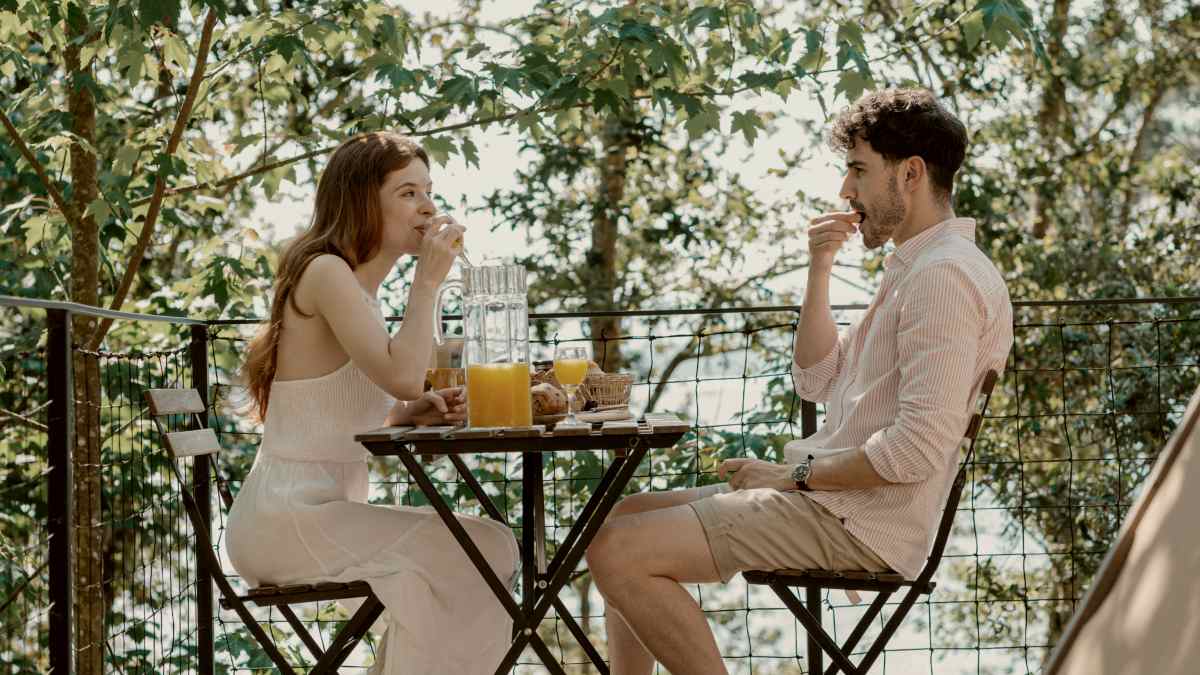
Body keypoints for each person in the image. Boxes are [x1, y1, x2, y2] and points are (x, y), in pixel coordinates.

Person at [585, 88, 1014, 674]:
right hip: (834, 502)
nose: (845, 190)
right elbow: (818, 379)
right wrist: (820, 269)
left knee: (617, 551)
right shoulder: (914, 265)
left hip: (859, 520)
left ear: (910, 174)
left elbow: (916, 448)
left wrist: (792, 476)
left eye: (859, 170)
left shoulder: (942, 279)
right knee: (620, 519)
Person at [225, 132, 519, 674]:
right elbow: (408, 376)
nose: (428, 206)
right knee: (488, 551)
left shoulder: (359, 290)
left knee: (463, 561)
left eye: (428, 190)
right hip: (287, 519)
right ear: (363, 200)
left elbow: (359, 401)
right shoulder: (326, 272)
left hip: (319, 512)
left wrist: (405, 416)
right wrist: (428, 282)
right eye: (408, 193)